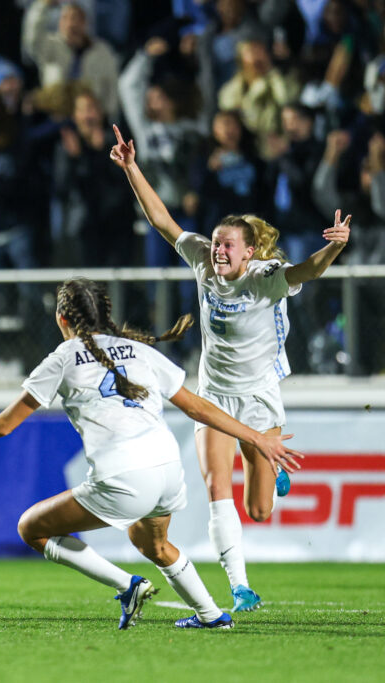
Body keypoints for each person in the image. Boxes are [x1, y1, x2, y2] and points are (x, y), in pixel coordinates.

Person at [0, 278, 303, 630]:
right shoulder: (138, 349)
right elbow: (198, 407)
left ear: (63, 319)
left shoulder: (61, 359)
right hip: (168, 470)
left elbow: (4, 425)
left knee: (32, 528)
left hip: (124, 475)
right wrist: (257, 437)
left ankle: (126, 586)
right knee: (153, 544)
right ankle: (211, 614)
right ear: (105, 314)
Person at [109, 123, 349, 611]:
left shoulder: (265, 279)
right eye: (215, 242)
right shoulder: (202, 260)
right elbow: (164, 222)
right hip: (213, 393)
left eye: (227, 245)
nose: (217, 249)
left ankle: (270, 475)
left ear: (250, 252)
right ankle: (239, 586)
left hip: (259, 396)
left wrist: (336, 246)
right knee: (217, 486)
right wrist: (132, 167)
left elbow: (307, 270)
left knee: (259, 509)